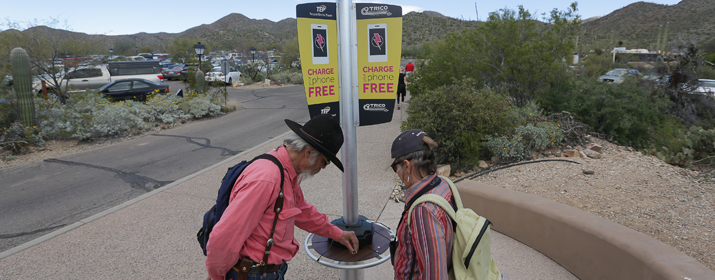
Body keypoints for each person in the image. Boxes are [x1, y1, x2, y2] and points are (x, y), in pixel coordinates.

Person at [205, 114, 360, 280]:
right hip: (251, 274)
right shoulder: (267, 179)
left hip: (267, 271)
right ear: (308, 153)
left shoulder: (287, 172)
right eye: (325, 161)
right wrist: (216, 276)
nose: (322, 167)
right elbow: (225, 237)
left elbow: (303, 212)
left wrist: (338, 234)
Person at [390, 129, 454, 280]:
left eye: (395, 168)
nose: (397, 173)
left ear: (407, 166)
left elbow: (435, 276)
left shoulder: (423, 211)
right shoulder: (443, 185)